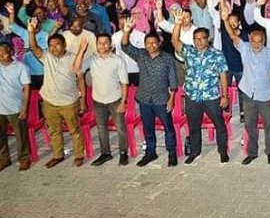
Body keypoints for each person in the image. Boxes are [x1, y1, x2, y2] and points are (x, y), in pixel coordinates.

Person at [222, 7, 270, 165]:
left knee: (268, 125)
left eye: (259, 42)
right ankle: (252, 152)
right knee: (249, 124)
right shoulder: (245, 48)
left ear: (264, 41)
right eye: (254, 41)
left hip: (266, 95)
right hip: (248, 94)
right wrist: (225, 19)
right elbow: (232, 35)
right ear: (250, 40)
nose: (256, 44)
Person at [171, 15, 229, 165]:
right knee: (194, 126)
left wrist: (224, 96)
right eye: (195, 39)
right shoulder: (189, 52)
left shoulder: (217, 55)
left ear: (208, 39)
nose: (198, 41)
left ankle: (222, 150)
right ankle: (195, 151)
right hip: (192, 97)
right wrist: (177, 24)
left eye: (202, 38)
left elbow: (223, 76)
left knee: (219, 125)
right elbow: (174, 41)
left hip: (211, 96)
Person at [27, 19, 86, 168]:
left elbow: (80, 79)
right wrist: (31, 32)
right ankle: (58, 155)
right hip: (49, 101)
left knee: (75, 130)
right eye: (51, 45)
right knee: (54, 130)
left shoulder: (74, 57)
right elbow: (33, 47)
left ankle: (79, 155)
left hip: (68, 101)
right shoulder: (47, 57)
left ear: (64, 44)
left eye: (57, 44)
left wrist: (82, 101)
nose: (53, 48)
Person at [121, 19, 179, 167]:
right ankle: (150, 153)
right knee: (148, 128)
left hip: (161, 100)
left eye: (154, 43)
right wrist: (126, 32)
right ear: (144, 44)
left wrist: (171, 100)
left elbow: (173, 81)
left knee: (168, 128)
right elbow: (125, 46)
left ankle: (172, 153)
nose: (151, 45)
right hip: (144, 98)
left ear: (159, 43)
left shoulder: (168, 59)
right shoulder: (141, 55)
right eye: (148, 43)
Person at [73, 34, 130, 166]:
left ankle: (123, 153)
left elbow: (124, 83)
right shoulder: (92, 60)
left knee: (120, 127)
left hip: (115, 99)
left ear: (110, 45)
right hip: (98, 101)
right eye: (100, 43)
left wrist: (123, 102)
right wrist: (82, 50)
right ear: (96, 45)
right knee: (101, 128)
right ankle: (106, 153)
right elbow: (75, 69)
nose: (102, 45)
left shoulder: (118, 60)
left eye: (105, 43)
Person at [0, 41, 31, 171]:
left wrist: (24, 108)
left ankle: (24, 158)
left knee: (20, 135)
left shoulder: (20, 67)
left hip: (16, 107)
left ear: (11, 52)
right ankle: (4, 159)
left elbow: (26, 88)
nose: (1, 55)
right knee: (0, 136)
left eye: (4, 51)